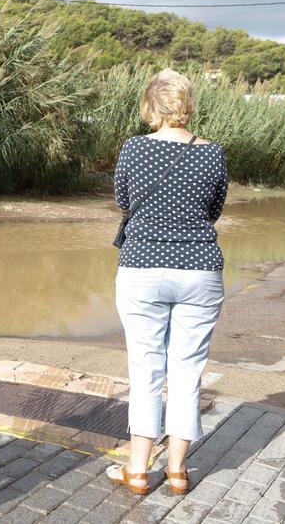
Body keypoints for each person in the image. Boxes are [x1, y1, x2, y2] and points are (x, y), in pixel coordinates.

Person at [107, 68, 229, 496]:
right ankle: (178, 472)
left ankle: (138, 471)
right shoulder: (211, 153)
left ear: (149, 106)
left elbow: (123, 201)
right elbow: (215, 209)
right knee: (187, 371)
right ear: (187, 104)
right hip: (200, 268)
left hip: (142, 267)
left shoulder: (134, 148)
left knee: (146, 369)